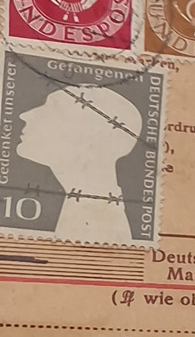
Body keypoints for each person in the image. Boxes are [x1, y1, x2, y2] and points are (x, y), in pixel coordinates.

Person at [13, 77, 144, 241]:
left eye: (53, 108)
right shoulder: (86, 209)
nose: (25, 115)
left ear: (89, 137)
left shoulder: (97, 226)